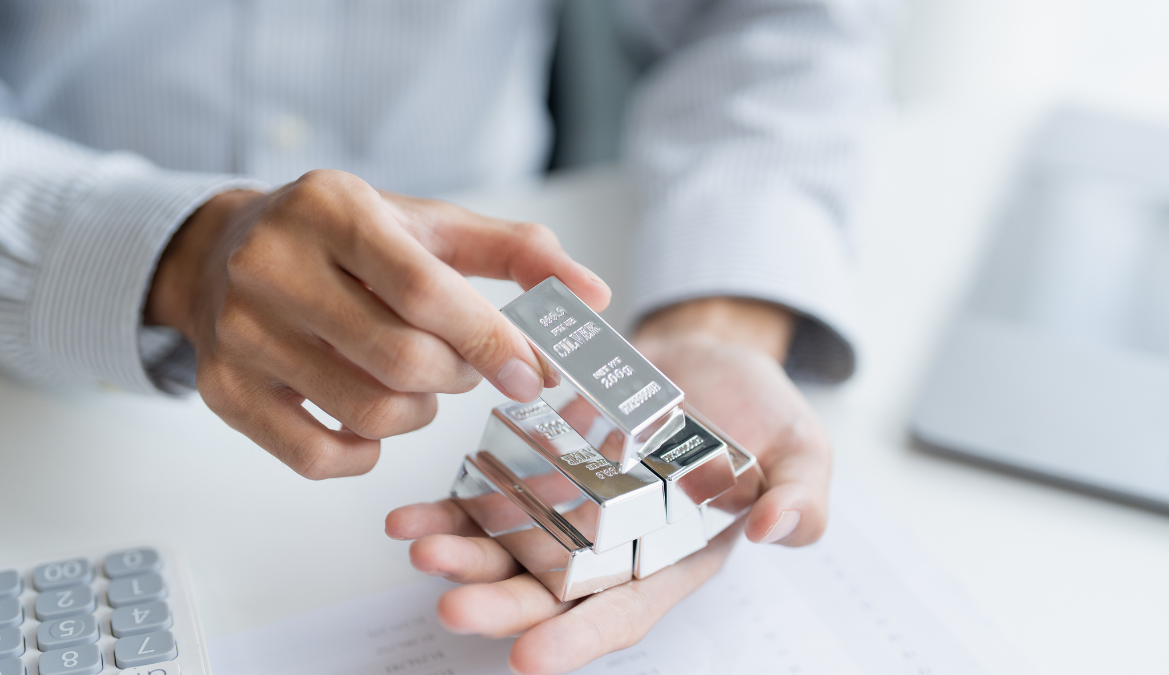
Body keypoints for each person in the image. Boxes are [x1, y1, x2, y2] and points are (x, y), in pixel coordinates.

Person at [0, 1, 891, 672]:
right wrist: (176, 249)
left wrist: (720, 315)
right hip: (55, 353)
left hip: (483, 301)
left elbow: (776, 21)